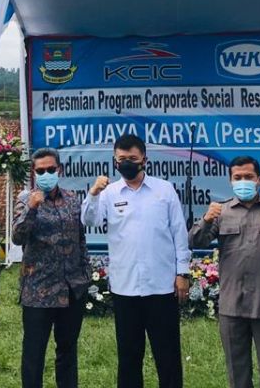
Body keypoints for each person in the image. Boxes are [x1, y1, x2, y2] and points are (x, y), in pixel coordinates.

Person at [81, 134, 191, 388]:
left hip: (162, 286)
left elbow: (179, 233)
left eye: (133, 158)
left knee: (168, 356)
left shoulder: (164, 190)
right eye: (122, 159)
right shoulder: (108, 193)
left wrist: (182, 272)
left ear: (144, 159)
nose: (127, 163)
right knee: (129, 357)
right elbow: (89, 220)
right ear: (115, 161)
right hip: (125, 288)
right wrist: (93, 193)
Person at [190, 156, 260, 388]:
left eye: (248, 177)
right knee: (237, 374)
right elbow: (193, 241)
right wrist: (205, 219)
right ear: (231, 181)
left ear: (259, 180)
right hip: (232, 307)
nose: (243, 181)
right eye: (238, 177)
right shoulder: (220, 212)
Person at [12, 147, 90, 388]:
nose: (46, 174)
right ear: (34, 173)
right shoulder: (25, 199)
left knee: (67, 352)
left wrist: (85, 277)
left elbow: (81, 240)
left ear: (60, 170)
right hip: (39, 292)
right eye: (40, 171)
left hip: (71, 290)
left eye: (50, 169)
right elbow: (17, 237)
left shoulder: (73, 199)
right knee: (34, 354)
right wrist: (32, 209)